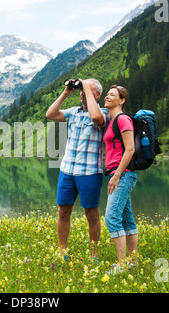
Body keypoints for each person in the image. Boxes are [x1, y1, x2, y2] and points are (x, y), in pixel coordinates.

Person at [46, 79, 110, 260]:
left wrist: (87, 89)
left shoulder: (104, 113)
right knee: (63, 212)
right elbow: (50, 114)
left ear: (97, 94)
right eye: (81, 90)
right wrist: (66, 92)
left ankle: (93, 254)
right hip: (67, 170)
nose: (82, 93)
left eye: (87, 91)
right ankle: (63, 252)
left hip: (90, 172)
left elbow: (96, 118)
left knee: (91, 214)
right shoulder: (73, 112)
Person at [103, 85, 138, 275]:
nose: (107, 96)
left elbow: (130, 149)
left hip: (122, 174)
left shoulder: (123, 119)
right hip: (118, 173)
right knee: (126, 218)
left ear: (122, 100)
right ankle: (132, 262)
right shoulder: (112, 120)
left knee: (112, 217)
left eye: (112, 95)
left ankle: (122, 265)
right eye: (107, 94)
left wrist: (116, 175)